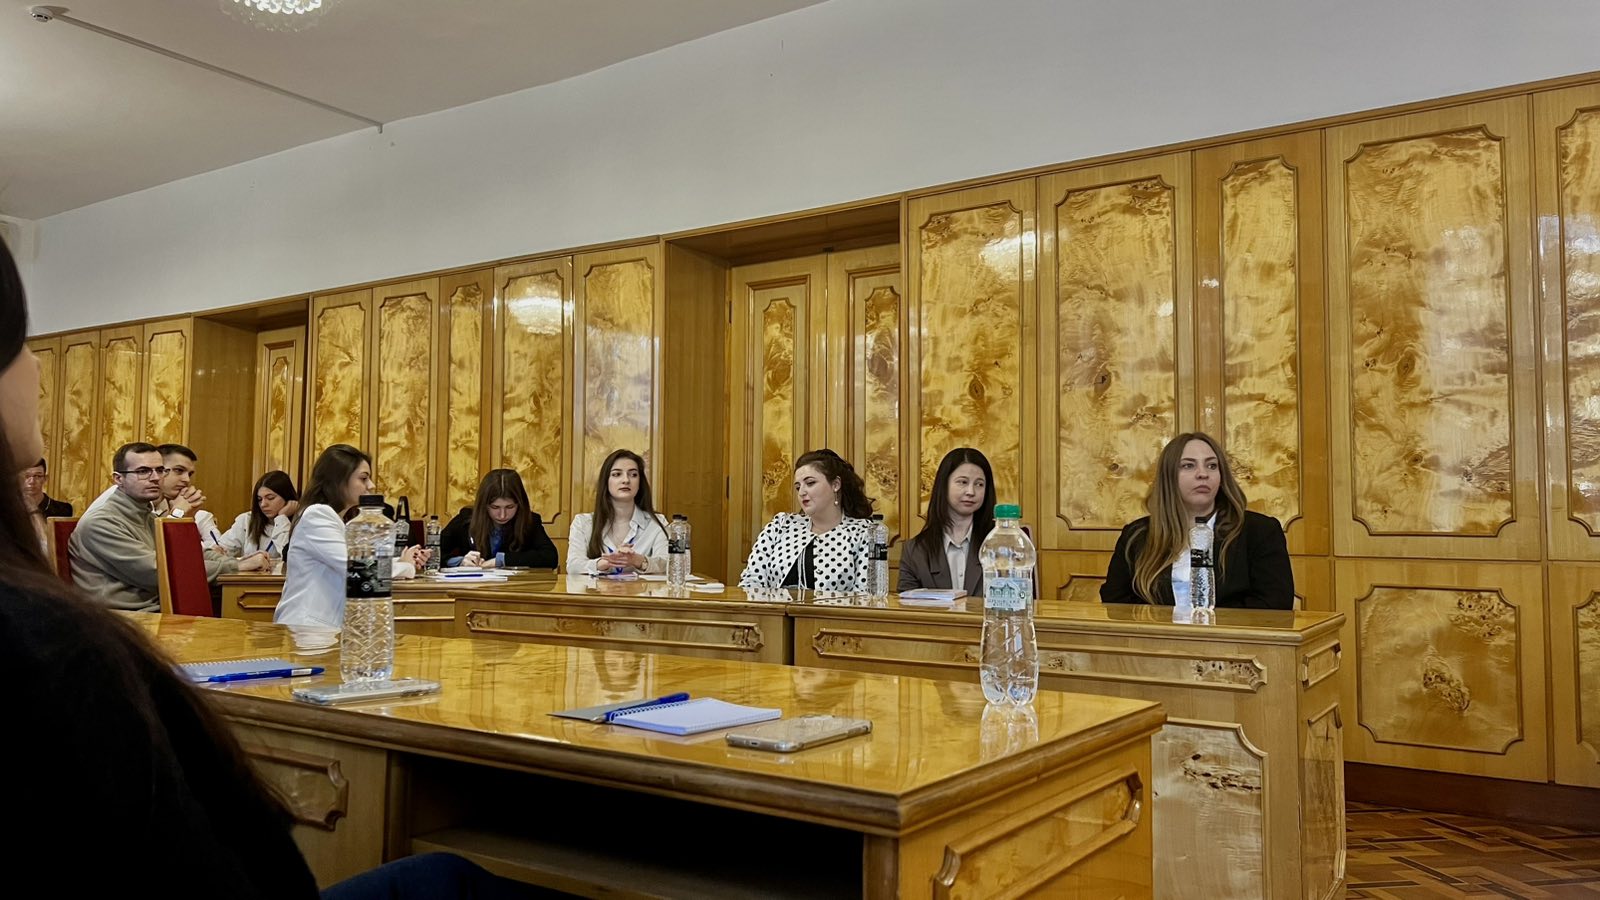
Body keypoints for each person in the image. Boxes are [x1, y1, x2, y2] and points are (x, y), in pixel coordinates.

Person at [0, 239, 558, 897]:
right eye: (23, 344)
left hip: (328, 635)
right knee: (451, 880)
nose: (38, 365)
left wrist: (392, 557)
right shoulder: (317, 519)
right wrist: (399, 562)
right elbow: (361, 578)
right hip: (314, 634)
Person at [1100, 432, 1294, 609]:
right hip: (1158, 636)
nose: (1203, 474)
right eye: (1188, 465)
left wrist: (1206, 625)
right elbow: (1115, 601)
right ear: (1169, 477)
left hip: (1235, 637)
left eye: (1212, 465)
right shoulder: (1137, 534)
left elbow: (1275, 603)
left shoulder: (1259, 531)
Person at [68, 442, 268, 611]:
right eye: (143, 471)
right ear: (118, 479)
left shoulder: (145, 512)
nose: (155, 477)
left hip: (157, 608)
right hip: (127, 619)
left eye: (160, 470)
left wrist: (235, 561)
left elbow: (185, 553)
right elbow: (160, 571)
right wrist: (235, 567)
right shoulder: (101, 522)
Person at [275, 444, 428, 629]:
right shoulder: (317, 515)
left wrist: (400, 560)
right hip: (307, 628)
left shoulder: (337, 518)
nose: (371, 485)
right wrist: (406, 567)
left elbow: (359, 560)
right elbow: (357, 568)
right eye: (363, 478)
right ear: (338, 480)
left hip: (323, 628)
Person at [739, 449, 874, 591]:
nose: (802, 492)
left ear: (835, 484)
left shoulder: (863, 533)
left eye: (810, 483)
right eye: (798, 487)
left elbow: (865, 595)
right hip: (773, 606)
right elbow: (750, 582)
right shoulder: (780, 525)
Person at [898, 448, 995, 594]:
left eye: (979, 484)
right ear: (944, 485)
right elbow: (905, 605)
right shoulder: (915, 551)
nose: (971, 491)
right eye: (963, 482)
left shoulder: (1001, 546)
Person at [565, 449, 668, 575]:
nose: (626, 480)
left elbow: (669, 565)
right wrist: (604, 563)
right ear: (606, 481)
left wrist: (639, 561)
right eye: (617, 474)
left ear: (640, 482)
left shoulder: (657, 523)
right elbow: (573, 566)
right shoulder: (583, 523)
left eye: (633, 474)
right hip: (596, 588)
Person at [440, 468, 559, 570]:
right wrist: (460, 561)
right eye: (495, 507)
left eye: (510, 507)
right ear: (484, 505)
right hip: (472, 586)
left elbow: (550, 557)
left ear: (520, 504)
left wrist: (500, 560)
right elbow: (435, 552)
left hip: (513, 587)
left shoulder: (530, 521)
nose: (502, 515)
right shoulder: (466, 518)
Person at [214, 470, 298, 559]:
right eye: (259, 499)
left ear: (287, 497)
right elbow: (221, 550)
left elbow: (291, 556)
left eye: (270, 498)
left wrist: (281, 518)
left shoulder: (300, 523)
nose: (263, 504)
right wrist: (218, 551)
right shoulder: (247, 520)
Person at [20, 457, 71, 554]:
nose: (32, 481)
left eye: (38, 476)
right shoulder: (10, 509)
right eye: (27, 476)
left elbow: (58, 545)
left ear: (45, 479)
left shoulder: (62, 509)